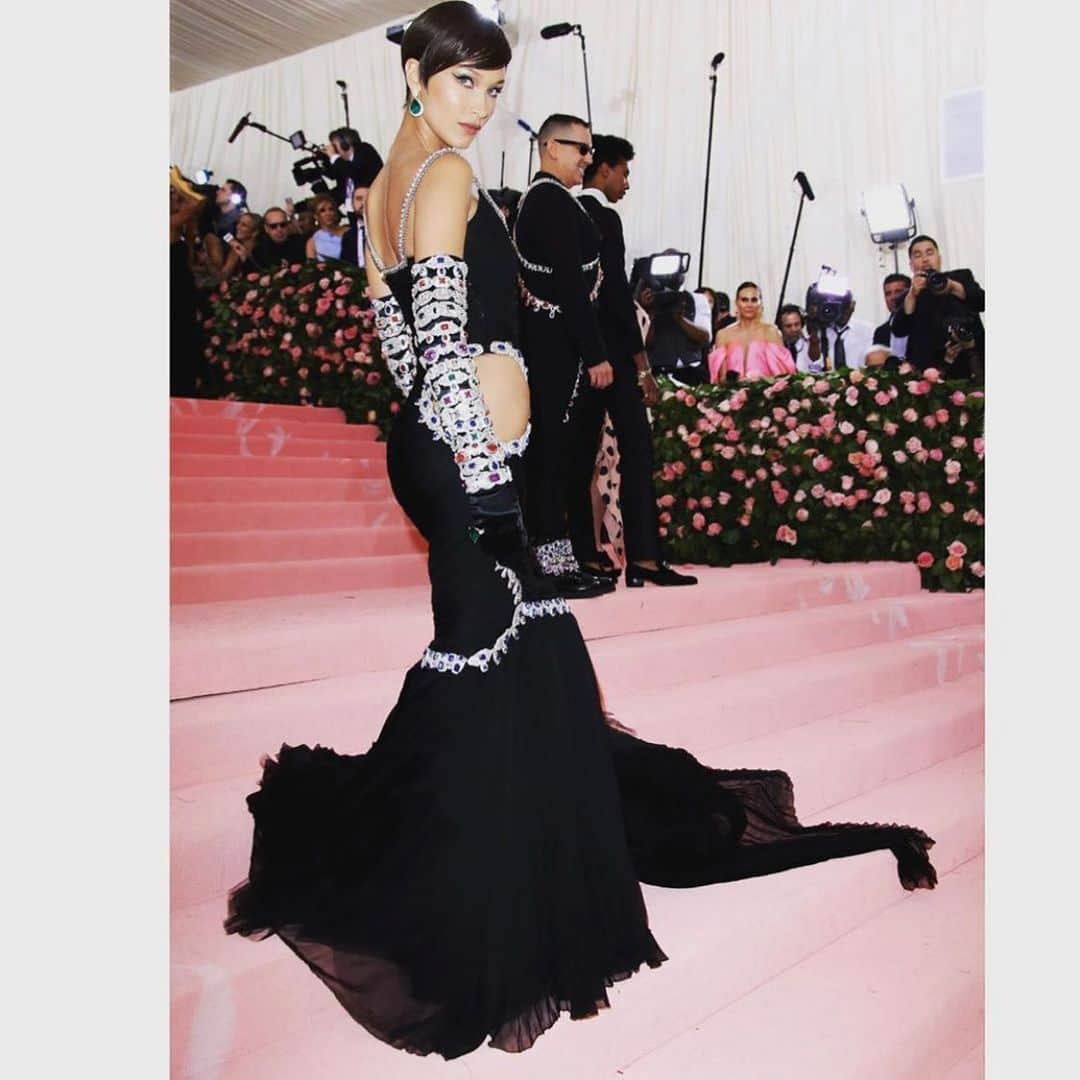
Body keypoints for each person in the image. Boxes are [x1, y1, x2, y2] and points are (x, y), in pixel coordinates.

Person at [224, 2, 938, 1062]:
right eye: (464, 81)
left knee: (510, 662)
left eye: (495, 90)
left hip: (444, 452)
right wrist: (490, 484)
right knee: (495, 654)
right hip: (470, 467)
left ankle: (500, 846)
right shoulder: (447, 180)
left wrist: (450, 439)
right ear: (418, 72)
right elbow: (428, 332)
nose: (479, 106)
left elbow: (396, 340)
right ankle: (465, 881)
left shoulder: (386, 187)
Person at [573, 135, 697, 588]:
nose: (626, 182)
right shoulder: (603, 216)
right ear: (602, 169)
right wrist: (642, 366)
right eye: (623, 172)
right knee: (637, 453)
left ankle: (587, 559)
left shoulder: (565, 213)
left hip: (577, 360)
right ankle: (643, 560)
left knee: (579, 460)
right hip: (616, 359)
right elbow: (616, 302)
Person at [513, 113, 617, 598]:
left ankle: (560, 559)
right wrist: (595, 353)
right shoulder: (549, 200)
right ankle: (550, 566)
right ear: (551, 147)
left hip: (557, 345)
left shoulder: (550, 200)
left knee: (558, 457)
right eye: (582, 148)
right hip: (558, 349)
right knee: (550, 458)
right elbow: (571, 286)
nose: (587, 159)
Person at [890, 235, 984, 380]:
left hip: (970, 365)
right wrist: (913, 295)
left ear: (939, 258)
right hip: (931, 375)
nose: (925, 259)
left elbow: (981, 301)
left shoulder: (961, 277)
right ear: (911, 265)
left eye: (929, 253)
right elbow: (899, 329)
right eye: (918, 255)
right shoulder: (908, 295)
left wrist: (952, 286)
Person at [636, 256, 711, 384]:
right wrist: (647, 312)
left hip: (691, 372)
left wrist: (680, 318)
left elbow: (705, 338)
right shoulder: (646, 301)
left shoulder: (696, 299)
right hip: (657, 373)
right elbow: (639, 345)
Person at [708, 281, 796, 381]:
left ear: (760, 303)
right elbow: (720, 379)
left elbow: (783, 376)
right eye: (744, 300)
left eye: (754, 300)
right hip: (731, 394)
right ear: (737, 303)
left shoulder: (771, 332)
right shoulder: (723, 335)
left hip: (765, 395)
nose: (749, 304)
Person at [169, 167, 207, 396]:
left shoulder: (180, 225)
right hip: (172, 288)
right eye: (171, 193)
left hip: (182, 285)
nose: (176, 197)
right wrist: (178, 181)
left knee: (185, 337)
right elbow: (197, 202)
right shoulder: (168, 222)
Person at [805, 286, 875, 372]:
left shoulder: (868, 330)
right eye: (838, 307)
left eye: (845, 307)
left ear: (852, 306)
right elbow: (813, 361)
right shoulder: (821, 330)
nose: (843, 312)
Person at [319, 126, 384, 210]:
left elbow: (354, 172)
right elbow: (332, 175)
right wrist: (324, 159)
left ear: (345, 144)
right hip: (352, 209)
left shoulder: (365, 150)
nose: (333, 149)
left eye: (334, 146)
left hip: (371, 206)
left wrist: (333, 156)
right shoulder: (343, 162)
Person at [873, 273, 911, 359]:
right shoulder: (881, 332)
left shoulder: (923, 324)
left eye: (898, 292)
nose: (893, 297)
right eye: (888, 294)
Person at [217, 211, 263, 281]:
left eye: (244, 225)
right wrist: (232, 241)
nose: (238, 227)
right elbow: (223, 233)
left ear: (255, 232)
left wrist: (244, 256)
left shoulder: (260, 250)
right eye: (238, 223)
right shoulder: (236, 248)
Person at [305, 192, 348, 261]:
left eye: (331, 209)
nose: (328, 213)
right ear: (315, 216)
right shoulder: (312, 242)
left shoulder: (348, 231)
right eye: (322, 210)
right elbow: (311, 268)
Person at [339, 186, 371, 269]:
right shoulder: (348, 236)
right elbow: (345, 264)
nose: (363, 203)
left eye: (368, 198)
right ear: (352, 204)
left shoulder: (385, 231)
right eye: (359, 199)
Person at [777, 302, 811, 371]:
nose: (793, 329)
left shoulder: (810, 347)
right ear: (781, 327)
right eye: (788, 326)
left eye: (797, 324)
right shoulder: (776, 349)